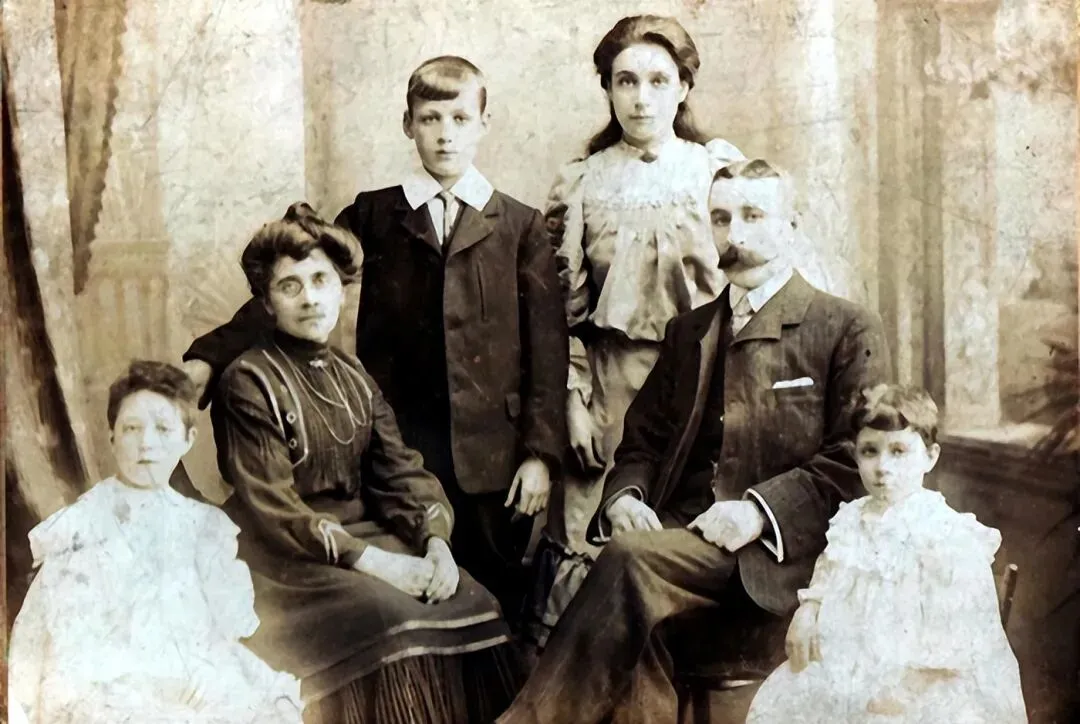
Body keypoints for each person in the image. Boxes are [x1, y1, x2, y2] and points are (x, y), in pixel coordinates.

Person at [496, 157, 892, 724]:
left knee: (628, 562)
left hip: (771, 561)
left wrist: (757, 513)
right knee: (635, 628)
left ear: (792, 225)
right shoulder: (690, 330)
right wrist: (624, 498)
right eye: (722, 219)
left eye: (754, 216)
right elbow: (641, 443)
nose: (736, 236)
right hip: (681, 547)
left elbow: (855, 461)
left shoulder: (844, 327)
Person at [184, 57, 567, 626]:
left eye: (460, 118)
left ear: (484, 124)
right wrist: (208, 359)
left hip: (494, 456)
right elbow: (294, 280)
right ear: (408, 124)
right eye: (430, 118)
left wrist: (539, 455)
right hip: (399, 447)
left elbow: (548, 349)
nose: (445, 134)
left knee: (493, 601)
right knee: (417, 597)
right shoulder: (374, 213)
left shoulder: (519, 224)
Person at [209, 204, 521, 723]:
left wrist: (437, 545)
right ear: (267, 302)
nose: (309, 298)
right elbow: (274, 509)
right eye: (289, 286)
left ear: (342, 289)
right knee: (392, 618)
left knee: (476, 602)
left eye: (321, 281)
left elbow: (401, 472)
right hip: (286, 558)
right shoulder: (248, 380)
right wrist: (381, 564)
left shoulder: (354, 376)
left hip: (366, 538)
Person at [524, 14, 746, 649]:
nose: (641, 98)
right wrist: (572, 401)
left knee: (681, 558)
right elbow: (556, 312)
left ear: (684, 87)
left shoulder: (716, 172)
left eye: (658, 80)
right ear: (607, 88)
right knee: (593, 555)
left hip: (705, 387)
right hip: (609, 392)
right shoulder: (583, 181)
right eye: (625, 81)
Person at [8, 360, 303, 724]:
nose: (146, 443)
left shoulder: (202, 526)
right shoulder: (83, 526)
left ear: (187, 439)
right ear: (112, 437)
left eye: (163, 428)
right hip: (102, 685)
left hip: (187, 681)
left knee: (272, 706)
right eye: (131, 428)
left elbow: (217, 640)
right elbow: (65, 652)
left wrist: (239, 683)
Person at [746, 384, 1028, 723]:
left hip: (926, 679)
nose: (882, 466)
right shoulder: (851, 520)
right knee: (785, 704)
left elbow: (961, 636)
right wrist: (808, 610)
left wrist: (905, 691)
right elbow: (828, 574)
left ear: (930, 457)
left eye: (898, 451)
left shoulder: (945, 533)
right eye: (870, 451)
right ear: (855, 455)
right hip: (852, 666)